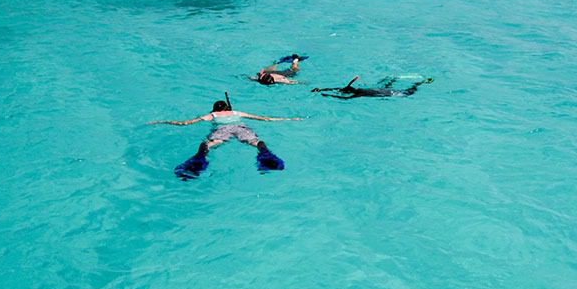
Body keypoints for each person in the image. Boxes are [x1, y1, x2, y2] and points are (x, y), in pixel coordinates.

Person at [148, 99, 302, 179]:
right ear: (227, 109)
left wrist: (162, 121)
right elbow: (265, 119)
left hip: (222, 131)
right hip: (241, 128)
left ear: (215, 110)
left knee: (207, 145)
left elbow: (184, 123)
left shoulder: (212, 115)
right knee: (257, 143)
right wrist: (289, 119)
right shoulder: (237, 113)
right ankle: (266, 154)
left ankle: (198, 159)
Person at [311, 76, 433, 99]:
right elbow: (339, 89)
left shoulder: (359, 94)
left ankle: (421, 83)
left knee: (409, 93)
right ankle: (420, 82)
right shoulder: (359, 91)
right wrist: (322, 90)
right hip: (385, 91)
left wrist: (325, 93)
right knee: (386, 85)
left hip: (392, 94)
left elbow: (343, 98)